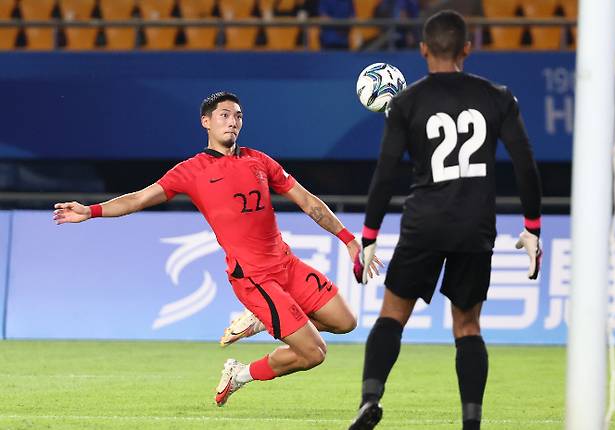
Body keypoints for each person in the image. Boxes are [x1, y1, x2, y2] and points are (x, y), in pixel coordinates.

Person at [53, 91, 381, 408]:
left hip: (287, 264)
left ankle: (261, 323)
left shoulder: (259, 161)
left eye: (238, 116)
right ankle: (240, 375)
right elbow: (138, 198)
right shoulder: (191, 171)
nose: (232, 122)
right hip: (254, 278)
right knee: (313, 353)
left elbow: (308, 202)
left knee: (345, 321)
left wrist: (350, 241)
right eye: (224, 115)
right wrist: (91, 211)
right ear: (205, 122)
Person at [349, 10, 542, 430]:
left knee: (392, 315)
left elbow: (385, 172)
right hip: (476, 225)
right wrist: (532, 228)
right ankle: (471, 421)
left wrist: (368, 236)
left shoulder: (407, 102)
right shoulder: (498, 97)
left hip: (424, 222)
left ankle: (370, 400)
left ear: (422, 50)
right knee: (468, 325)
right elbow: (526, 165)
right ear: (467, 50)